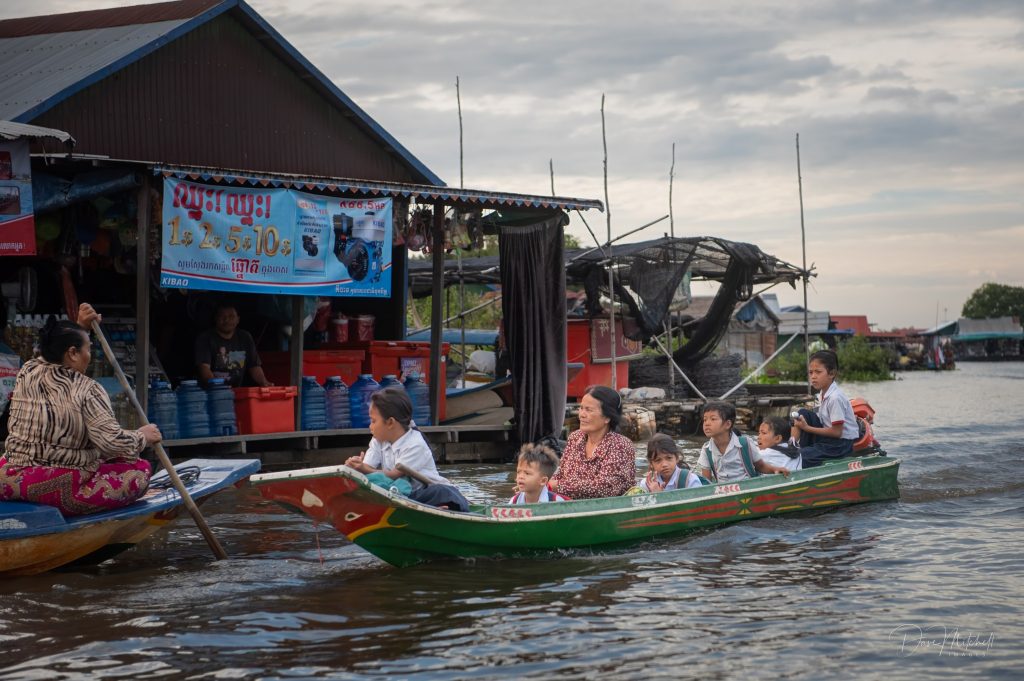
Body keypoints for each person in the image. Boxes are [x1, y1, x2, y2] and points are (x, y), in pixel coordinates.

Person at [0, 304, 161, 516]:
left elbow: (53, 349)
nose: (90, 355)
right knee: (140, 470)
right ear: (73, 353)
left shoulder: (28, 370)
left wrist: (80, 328)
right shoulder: (88, 389)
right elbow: (112, 444)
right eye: (87, 349)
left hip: (8, 478)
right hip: (55, 488)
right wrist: (142, 436)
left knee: (102, 457)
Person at [345, 388, 469, 510]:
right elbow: (367, 468)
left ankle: (439, 508)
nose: (370, 426)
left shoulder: (415, 444)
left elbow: (393, 475)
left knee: (443, 492)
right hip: (401, 492)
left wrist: (363, 468)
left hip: (424, 491)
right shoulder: (378, 440)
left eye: (373, 421)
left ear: (390, 423)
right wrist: (356, 467)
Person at [548, 385, 636, 499]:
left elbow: (606, 488)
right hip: (571, 505)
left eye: (588, 410)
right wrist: (540, 485)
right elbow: (560, 475)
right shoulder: (575, 438)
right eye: (581, 408)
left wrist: (556, 486)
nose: (581, 415)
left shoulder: (621, 445)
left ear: (607, 418)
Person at [790, 349, 859, 467]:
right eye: (811, 372)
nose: (813, 377)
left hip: (840, 445)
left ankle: (798, 453)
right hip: (828, 438)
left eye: (818, 372)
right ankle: (791, 446)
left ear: (831, 374)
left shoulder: (835, 398)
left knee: (801, 456)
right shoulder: (822, 394)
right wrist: (805, 426)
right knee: (802, 413)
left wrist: (807, 428)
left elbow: (837, 432)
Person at [698, 401, 790, 482]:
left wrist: (775, 470)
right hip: (723, 493)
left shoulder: (745, 443)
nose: (707, 423)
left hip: (748, 489)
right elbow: (707, 481)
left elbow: (760, 466)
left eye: (713, 419)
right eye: (705, 419)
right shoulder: (706, 450)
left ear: (727, 424)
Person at [194, 303, 271, 388]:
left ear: (238, 319)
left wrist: (264, 382)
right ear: (215, 318)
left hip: (237, 392)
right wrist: (217, 388)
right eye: (222, 316)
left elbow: (254, 366)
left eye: (231, 316)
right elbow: (204, 368)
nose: (226, 320)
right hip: (211, 394)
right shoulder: (206, 338)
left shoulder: (245, 337)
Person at [638, 433, 703, 492]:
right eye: (658, 460)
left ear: (677, 458)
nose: (664, 464)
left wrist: (659, 496)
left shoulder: (690, 480)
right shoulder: (646, 485)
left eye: (669, 458)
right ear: (651, 464)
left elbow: (700, 504)